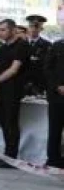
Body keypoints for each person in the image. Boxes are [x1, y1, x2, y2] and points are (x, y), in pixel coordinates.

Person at [0, 18, 29, 167]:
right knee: (3, 122)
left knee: (11, 123)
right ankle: (7, 154)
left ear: (12, 30)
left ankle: (11, 157)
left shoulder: (22, 46)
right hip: (0, 90)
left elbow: (13, 69)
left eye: (3, 29)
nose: (0, 32)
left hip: (13, 89)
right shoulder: (4, 47)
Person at [45, 34, 64, 168]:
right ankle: (53, 159)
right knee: (55, 129)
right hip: (57, 95)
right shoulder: (56, 46)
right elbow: (47, 68)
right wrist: (57, 85)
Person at [25, 14, 51, 97]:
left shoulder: (47, 45)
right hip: (22, 83)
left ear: (41, 29)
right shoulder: (21, 43)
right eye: (31, 26)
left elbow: (48, 65)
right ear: (28, 27)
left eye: (36, 27)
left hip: (38, 84)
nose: (33, 29)